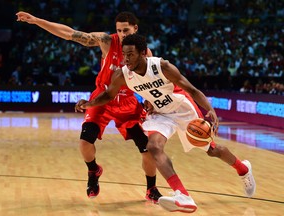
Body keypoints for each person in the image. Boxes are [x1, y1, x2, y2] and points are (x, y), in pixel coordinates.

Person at [76, 34, 256, 213]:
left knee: (212, 150)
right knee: (153, 147)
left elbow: (192, 89)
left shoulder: (162, 66)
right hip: (160, 113)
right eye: (124, 54)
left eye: (130, 54)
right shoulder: (123, 74)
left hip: (181, 108)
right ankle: (182, 195)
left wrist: (211, 110)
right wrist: (88, 103)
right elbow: (108, 95)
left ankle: (242, 168)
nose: (126, 59)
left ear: (143, 53)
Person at [16, 11, 162, 203]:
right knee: (84, 143)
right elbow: (70, 33)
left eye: (125, 30)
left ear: (135, 29)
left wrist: (149, 100)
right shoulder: (107, 41)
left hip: (128, 103)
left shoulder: (145, 53)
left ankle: (151, 188)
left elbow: (151, 82)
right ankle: (93, 170)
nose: (122, 34)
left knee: (148, 151)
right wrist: (36, 21)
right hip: (102, 98)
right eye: (119, 30)